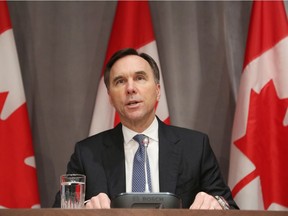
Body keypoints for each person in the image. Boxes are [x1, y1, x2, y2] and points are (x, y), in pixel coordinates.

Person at [53, 48, 238, 209]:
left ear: (157, 90)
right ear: (110, 97)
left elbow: (228, 206)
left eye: (140, 78)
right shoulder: (86, 153)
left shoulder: (195, 147)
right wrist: (83, 208)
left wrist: (216, 203)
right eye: (120, 81)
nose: (130, 88)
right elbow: (59, 210)